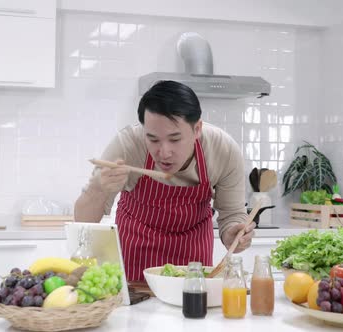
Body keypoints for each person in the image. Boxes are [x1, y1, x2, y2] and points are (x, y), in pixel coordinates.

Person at [74, 80, 255, 281]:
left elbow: (232, 215)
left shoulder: (223, 150)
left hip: (193, 264)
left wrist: (233, 236)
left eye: (175, 139)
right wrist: (98, 189)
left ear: (197, 129)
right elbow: (82, 223)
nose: (164, 152)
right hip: (135, 258)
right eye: (153, 139)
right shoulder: (128, 145)